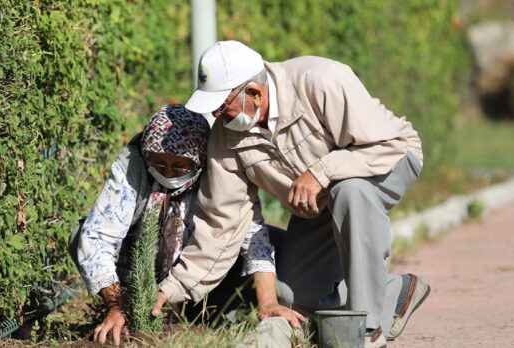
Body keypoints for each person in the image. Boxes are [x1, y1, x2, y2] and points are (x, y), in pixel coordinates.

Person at [152, 41, 430, 348]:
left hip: (387, 161)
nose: (217, 113)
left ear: (255, 93)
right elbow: (222, 224)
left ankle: (367, 331)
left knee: (350, 191)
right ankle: (396, 291)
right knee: (291, 295)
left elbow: (386, 144)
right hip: (320, 204)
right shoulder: (226, 137)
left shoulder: (321, 80)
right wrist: (170, 289)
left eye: (222, 104)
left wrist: (322, 172)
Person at [68, 104, 277, 345]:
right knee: (80, 235)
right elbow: (98, 235)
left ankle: (210, 314)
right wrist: (119, 305)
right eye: (159, 163)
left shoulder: (221, 173)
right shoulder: (134, 164)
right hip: (133, 276)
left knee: (275, 244)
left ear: (199, 159)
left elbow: (252, 235)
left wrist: (268, 302)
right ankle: (138, 310)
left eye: (179, 166)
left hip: (199, 279)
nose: (168, 173)